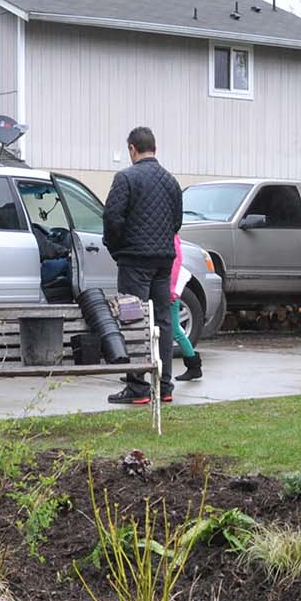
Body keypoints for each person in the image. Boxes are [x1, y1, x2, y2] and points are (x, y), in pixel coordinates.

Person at [101, 126, 182, 405]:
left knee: (133, 320)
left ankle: (137, 387)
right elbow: (177, 222)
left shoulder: (125, 178)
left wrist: (116, 248)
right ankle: (165, 385)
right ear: (155, 149)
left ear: (132, 149)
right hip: (163, 259)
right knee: (162, 321)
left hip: (134, 259)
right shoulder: (171, 181)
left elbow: (112, 217)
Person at [170, 234, 202, 383]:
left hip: (171, 291)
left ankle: (194, 366)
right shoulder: (171, 237)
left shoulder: (170, 239)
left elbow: (174, 266)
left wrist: (172, 292)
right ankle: (194, 366)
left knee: (175, 329)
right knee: (173, 329)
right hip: (171, 289)